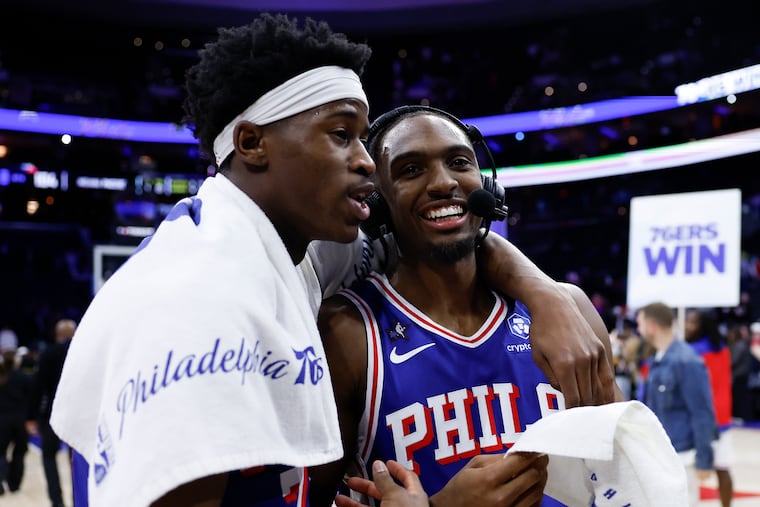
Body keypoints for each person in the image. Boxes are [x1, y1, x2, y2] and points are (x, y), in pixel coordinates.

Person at [50, 13, 615, 507]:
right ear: (251, 144)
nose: (366, 163)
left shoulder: (299, 248)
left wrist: (547, 293)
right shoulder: (196, 304)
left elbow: (451, 233)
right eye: (343, 135)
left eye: (365, 142)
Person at [309, 105, 623, 507]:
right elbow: (304, 498)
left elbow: (624, 476)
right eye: (410, 170)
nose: (442, 183)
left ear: (487, 187)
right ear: (379, 202)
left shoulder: (566, 310)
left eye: (459, 162)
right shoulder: (346, 332)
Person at [636, 302, 717, 507]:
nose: (638, 330)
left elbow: (702, 412)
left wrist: (704, 459)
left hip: (682, 457)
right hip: (661, 454)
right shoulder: (658, 359)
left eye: (640, 324)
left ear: (652, 326)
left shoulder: (686, 361)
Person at [684, 309, 734, 507]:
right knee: (723, 469)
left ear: (702, 325)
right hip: (723, 417)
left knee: (690, 472)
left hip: (700, 417)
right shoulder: (723, 348)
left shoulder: (691, 352)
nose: (687, 326)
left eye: (692, 322)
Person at [28, 318, 77, 507]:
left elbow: (38, 386)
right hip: (77, 415)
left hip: (51, 413)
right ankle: (78, 501)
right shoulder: (81, 352)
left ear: (56, 335)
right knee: (77, 460)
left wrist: (31, 417)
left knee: (49, 456)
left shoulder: (48, 353)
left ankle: (57, 502)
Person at [0, 349, 33, 495]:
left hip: (2, 421)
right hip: (20, 422)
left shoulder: (2, 377)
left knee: (0, 453)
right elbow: (33, 400)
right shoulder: (24, 377)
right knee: (19, 453)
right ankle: (14, 484)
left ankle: (1, 483)